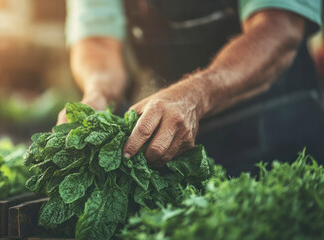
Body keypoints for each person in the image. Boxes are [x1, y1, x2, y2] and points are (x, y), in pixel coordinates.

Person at [58, 0, 324, 172]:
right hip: (177, 151)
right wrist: (100, 91)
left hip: (277, 127)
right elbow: (97, 40)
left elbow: (278, 27)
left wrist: (194, 95)